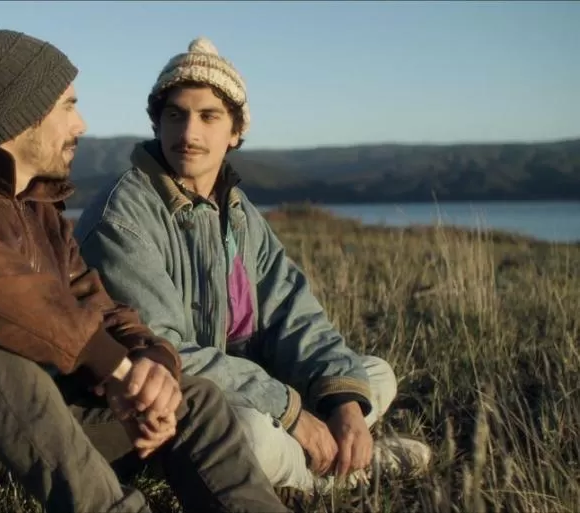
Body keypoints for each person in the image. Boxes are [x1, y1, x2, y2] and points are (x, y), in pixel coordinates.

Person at [0, 29, 287, 513]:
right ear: (22, 114)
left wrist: (151, 364)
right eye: (68, 106)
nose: (80, 124)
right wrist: (110, 364)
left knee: (193, 399)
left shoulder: (41, 215)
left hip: (14, 431)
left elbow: (100, 311)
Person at [73, 36, 433, 495]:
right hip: (164, 407)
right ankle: (344, 476)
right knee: (249, 431)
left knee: (372, 375)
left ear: (236, 131)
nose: (189, 134)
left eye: (209, 116)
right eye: (175, 115)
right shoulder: (122, 217)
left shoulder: (236, 210)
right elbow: (163, 350)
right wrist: (289, 411)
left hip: (244, 385)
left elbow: (292, 312)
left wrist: (341, 401)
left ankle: (334, 441)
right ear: (157, 123)